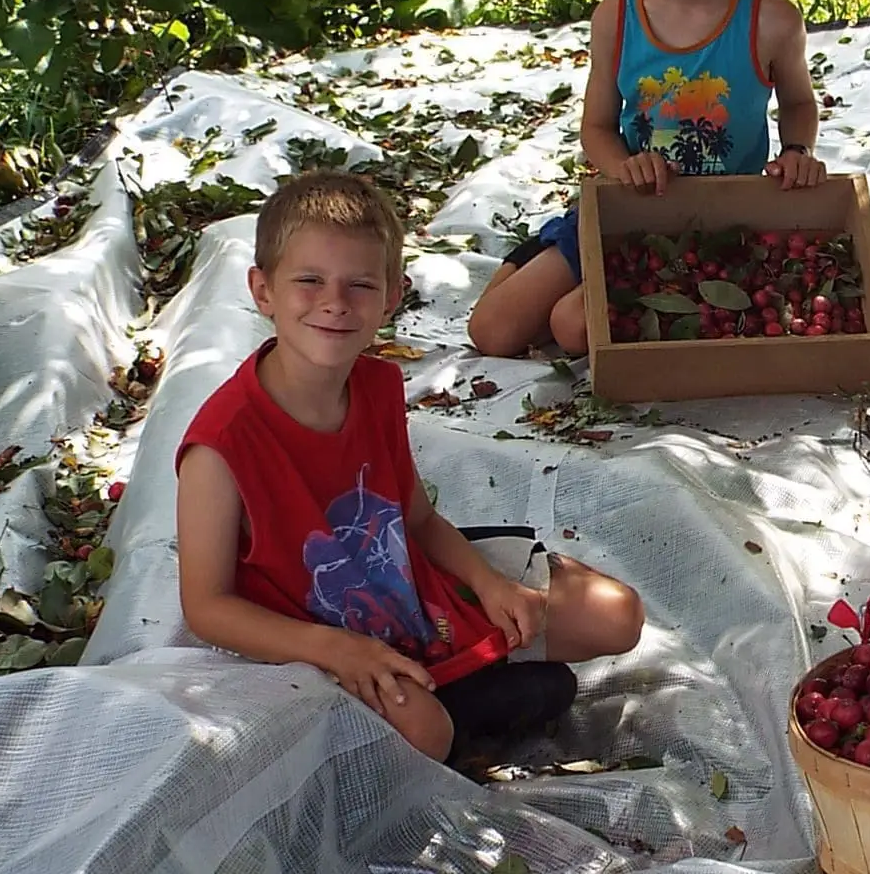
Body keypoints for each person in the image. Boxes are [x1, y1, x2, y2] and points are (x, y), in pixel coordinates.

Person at [175, 170, 646, 764]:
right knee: (427, 733)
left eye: (360, 285)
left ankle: (471, 685)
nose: (335, 303)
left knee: (615, 615)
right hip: (305, 627)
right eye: (310, 281)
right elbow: (207, 606)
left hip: (395, 583)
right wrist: (337, 650)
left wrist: (491, 584)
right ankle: (471, 701)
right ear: (262, 291)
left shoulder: (376, 384)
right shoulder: (220, 444)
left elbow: (417, 520)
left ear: (393, 295)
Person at [467, 0, 826, 358]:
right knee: (490, 332)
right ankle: (547, 251)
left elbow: (798, 102)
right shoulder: (616, 18)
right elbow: (596, 128)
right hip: (628, 209)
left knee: (573, 326)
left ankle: (577, 288)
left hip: (721, 228)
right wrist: (621, 167)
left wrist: (798, 151)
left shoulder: (771, 20)